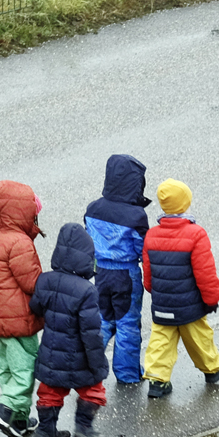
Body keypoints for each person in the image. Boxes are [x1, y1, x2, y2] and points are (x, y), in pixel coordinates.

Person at [142, 179, 219, 398]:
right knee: (199, 337)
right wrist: (211, 300)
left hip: (163, 303)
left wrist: (154, 290)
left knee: (160, 340)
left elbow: (148, 273)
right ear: (185, 203)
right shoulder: (195, 234)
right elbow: (205, 272)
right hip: (189, 304)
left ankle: (157, 380)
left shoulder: (152, 235)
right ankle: (213, 367)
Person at [29, 222, 109, 437]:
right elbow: (91, 332)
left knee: (49, 391)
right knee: (93, 389)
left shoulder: (45, 280)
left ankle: (46, 430)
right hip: (81, 356)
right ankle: (84, 426)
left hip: (51, 355)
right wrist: (98, 363)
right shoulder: (87, 290)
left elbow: (35, 307)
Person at [0, 180, 45, 437]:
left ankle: (18, 421)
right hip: (19, 321)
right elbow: (31, 282)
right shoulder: (20, 243)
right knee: (26, 368)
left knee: (7, 369)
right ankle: (6, 408)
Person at [83, 154, 151, 383]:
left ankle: (86, 367)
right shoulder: (136, 215)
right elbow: (144, 248)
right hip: (125, 275)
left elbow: (88, 241)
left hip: (100, 273)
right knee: (127, 324)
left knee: (104, 319)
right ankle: (127, 373)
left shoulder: (92, 209)